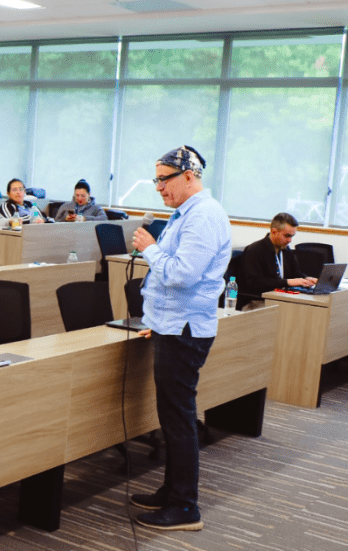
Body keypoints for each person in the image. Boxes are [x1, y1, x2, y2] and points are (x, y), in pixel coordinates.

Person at [129, 145, 231, 532]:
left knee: (179, 418)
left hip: (184, 332)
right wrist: (156, 319)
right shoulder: (185, 214)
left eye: (163, 179)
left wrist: (150, 249)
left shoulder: (203, 216)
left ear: (189, 176)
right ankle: (172, 491)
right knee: (174, 415)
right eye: (155, 179)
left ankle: (185, 506)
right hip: (174, 325)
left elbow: (182, 275)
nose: (157, 187)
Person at [238, 212, 317, 301]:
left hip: (279, 297)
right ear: (274, 231)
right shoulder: (254, 250)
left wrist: (306, 278)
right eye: (287, 236)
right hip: (258, 299)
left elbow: (295, 273)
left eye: (292, 236)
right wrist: (287, 282)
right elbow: (254, 283)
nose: (290, 240)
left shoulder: (285, 249)